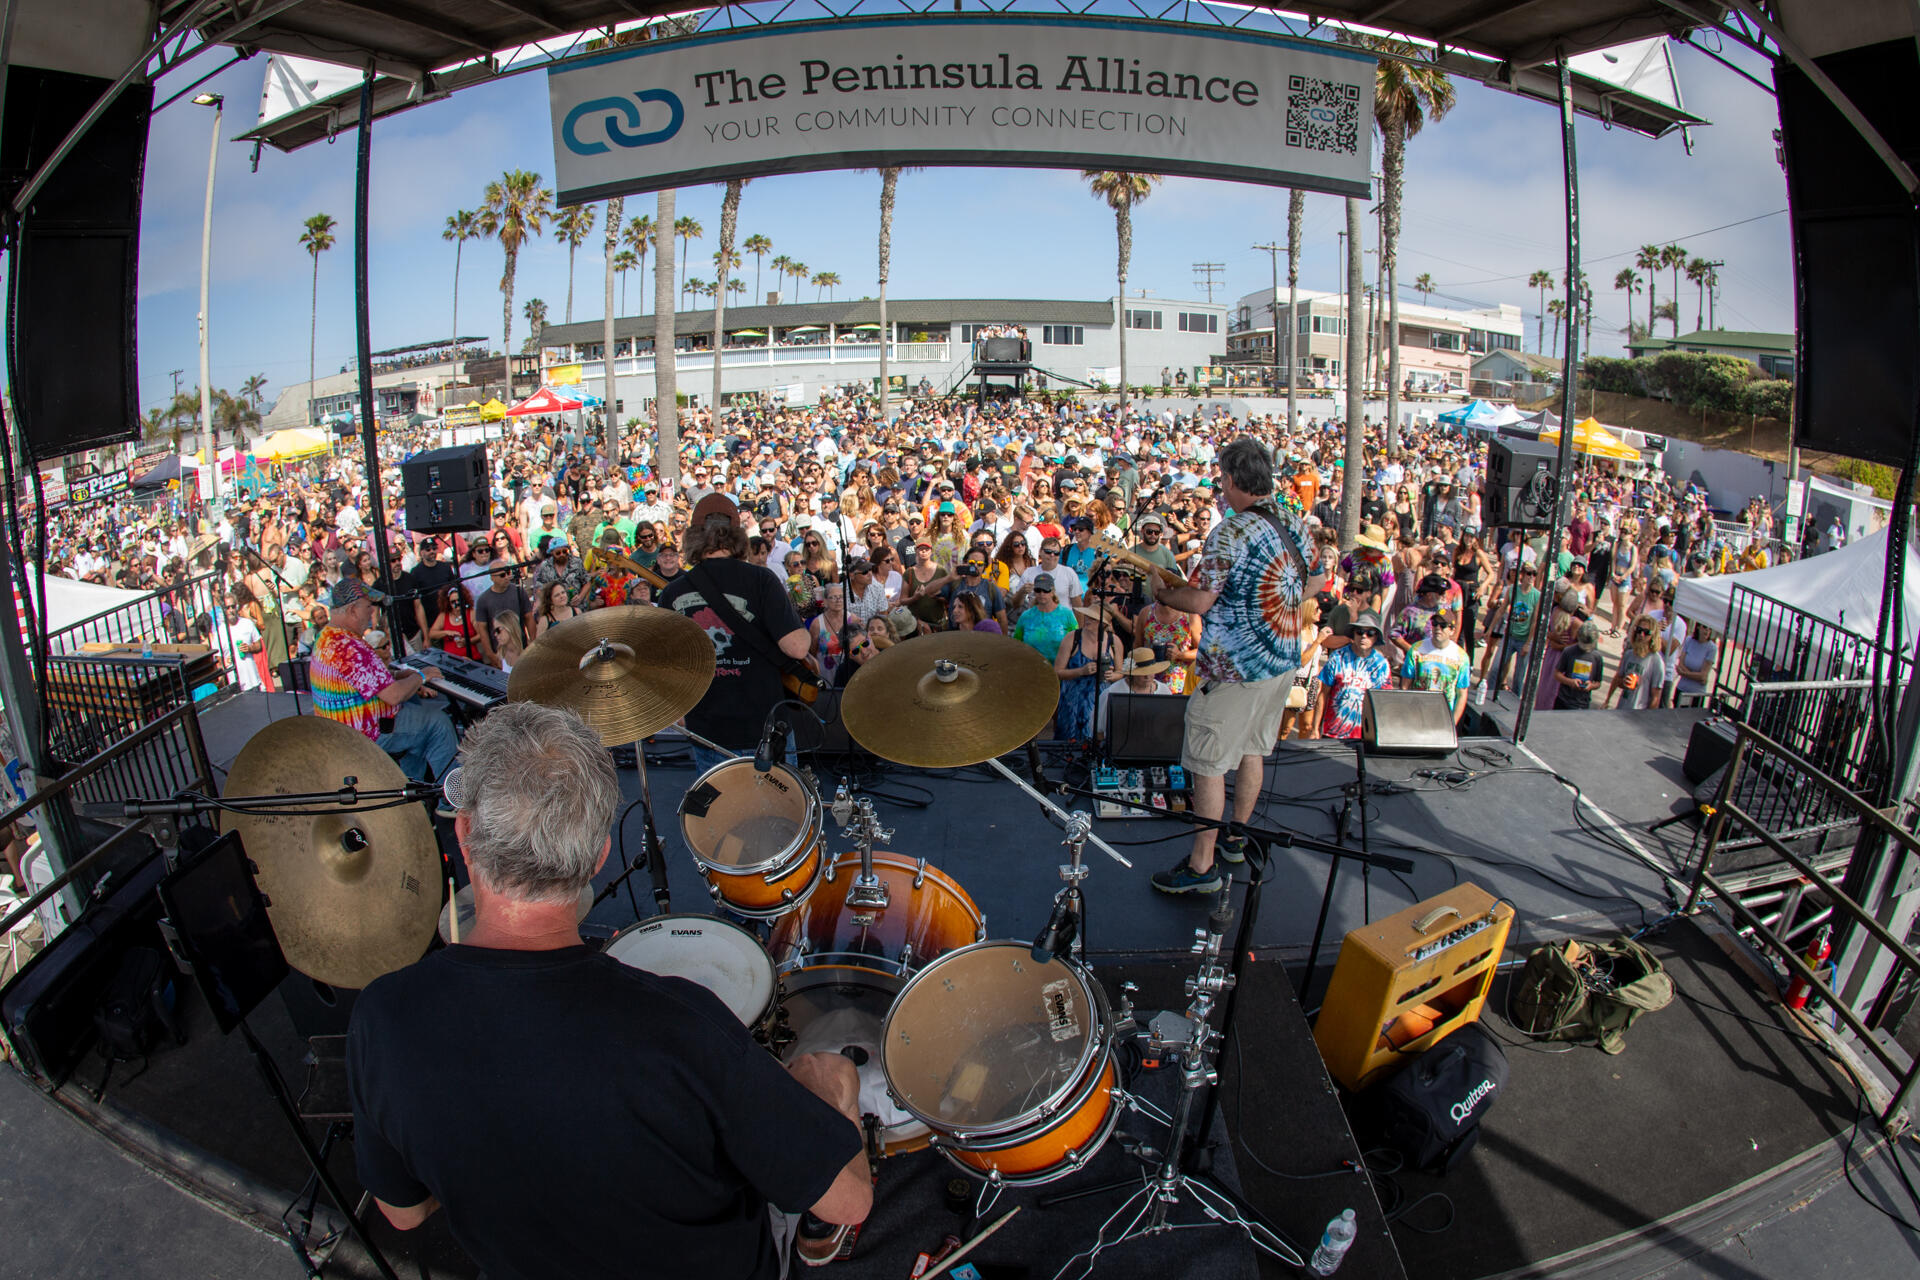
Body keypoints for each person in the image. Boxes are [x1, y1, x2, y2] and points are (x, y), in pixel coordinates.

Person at [346, 702, 870, 1280]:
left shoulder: (383, 1017)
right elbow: (849, 1201)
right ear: (597, 856)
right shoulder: (682, 1028)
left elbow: (405, 1210)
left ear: (464, 833)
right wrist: (831, 1093)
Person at [1151, 437, 1323, 895]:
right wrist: (1272, 608)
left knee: (1207, 763)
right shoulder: (1295, 520)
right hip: (1281, 663)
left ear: (1230, 479)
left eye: (1221, 479)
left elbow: (1200, 601)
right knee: (1252, 750)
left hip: (1233, 671)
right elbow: (1317, 581)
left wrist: (1162, 593)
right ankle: (1235, 837)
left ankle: (1201, 866)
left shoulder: (1229, 531)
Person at [657, 494, 810, 777]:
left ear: (693, 537)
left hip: (708, 727)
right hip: (764, 724)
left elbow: (669, 667)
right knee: (782, 813)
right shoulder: (762, 580)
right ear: (738, 536)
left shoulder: (673, 593)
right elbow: (797, 647)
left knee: (723, 816)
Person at [309, 578, 456, 782]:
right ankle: (451, 803)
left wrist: (396, 676)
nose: (372, 613)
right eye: (369, 607)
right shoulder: (350, 647)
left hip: (342, 733)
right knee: (438, 724)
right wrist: (423, 676)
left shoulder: (327, 636)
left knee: (416, 713)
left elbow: (362, 681)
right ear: (353, 610)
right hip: (366, 734)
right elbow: (393, 695)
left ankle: (414, 792)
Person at [1317, 611, 1392, 741]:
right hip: (1333, 731)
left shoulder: (1381, 665)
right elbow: (1323, 694)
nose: (1364, 636)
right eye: (1359, 632)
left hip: (1366, 735)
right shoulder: (1337, 657)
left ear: (1375, 638)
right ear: (1353, 634)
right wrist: (1315, 727)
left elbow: (1384, 703)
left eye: (1370, 633)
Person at [1399, 609, 1473, 726]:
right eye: (1435, 624)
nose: (1438, 628)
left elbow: (1462, 694)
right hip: (1416, 715)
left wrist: (1452, 724)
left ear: (1452, 630)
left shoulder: (1461, 657)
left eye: (1443, 625)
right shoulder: (1416, 649)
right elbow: (1405, 685)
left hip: (1443, 719)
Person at [1607, 614, 1667, 710]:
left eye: (1646, 632)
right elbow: (1617, 679)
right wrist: (1607, 700)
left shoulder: (1656, 661)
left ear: (1653, 636)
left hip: (1638, 712)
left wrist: (1647, 718)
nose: (1641, 635)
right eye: (1639, 630)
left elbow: (1656, 696)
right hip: (1621, 708)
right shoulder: (1629, 654)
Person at [1551, 620, 1607, 710]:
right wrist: (1570, 682)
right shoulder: (1569, 651)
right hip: (1564, 699)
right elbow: (1557, 674)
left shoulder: (1597, 657)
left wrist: (1591, 686)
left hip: (1582, 702)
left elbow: (1598, 682)